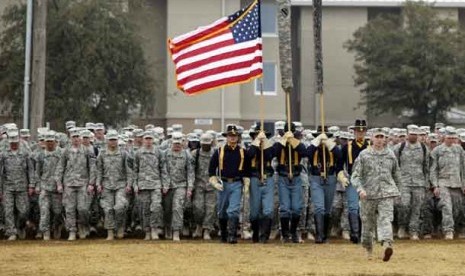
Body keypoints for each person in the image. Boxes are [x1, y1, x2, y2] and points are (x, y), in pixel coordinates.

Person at [351, 128, 400, 262]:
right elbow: (355, 176)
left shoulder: (390, 155)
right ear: (371, 138)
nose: (379, 139)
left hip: (386, 194)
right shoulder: (364, 155)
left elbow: (396, 173)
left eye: (382, 137)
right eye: (377, 137)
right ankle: (369, 249)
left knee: (386, 219)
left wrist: (398, 191)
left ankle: (386, 245)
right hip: (368, 195)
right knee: (368, 225)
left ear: (385, 139)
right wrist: (360, 189)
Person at [209, 124, 250, 244]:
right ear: (226, 137)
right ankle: (223, 234)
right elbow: (211, 170)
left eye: (234, 136)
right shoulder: (219, 151)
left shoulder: (243, 152)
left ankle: (232, 235)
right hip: (223, 184)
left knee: (234, 210)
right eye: (230, 136)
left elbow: (247, 170)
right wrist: (214, 182)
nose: (232, 138)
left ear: (238, 137)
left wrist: (246, 183)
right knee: (222, 211)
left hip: (237, 183)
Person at [56, 128, 96, 241]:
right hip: (69, 184)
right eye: (74, 137)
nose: (76, 139)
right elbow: (60, 168)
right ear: (70, 138)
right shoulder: (66, 151)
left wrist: (91, 183)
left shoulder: (88, 151)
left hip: (83, 184)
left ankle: (83, 225)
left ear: (81, 138)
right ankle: (72, 231)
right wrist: (59, 183)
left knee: (83, 209)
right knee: (70, 209)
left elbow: (93, 168)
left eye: (78, 137)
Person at [393, 125, 429, 240]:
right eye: (411, 134)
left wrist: (427, 182)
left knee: (417, 208)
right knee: (404, 205)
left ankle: (414, 231)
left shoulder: (424, 148)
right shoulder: (399, 147)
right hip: (403, 182)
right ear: (407, 134)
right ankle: (402, 227)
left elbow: (427, 167)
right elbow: (394, 167)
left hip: (419, 183)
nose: (413, 136)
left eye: (415, 134)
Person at [307, 126, 343, 243]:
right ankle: (319, 235)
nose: (323, 139)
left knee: (327, 209)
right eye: (320, 136)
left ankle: (325, 235)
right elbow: (307, 153)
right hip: (316, 178)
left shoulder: (333, 147)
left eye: (325, 136)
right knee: (319, 207)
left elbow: (339, 156)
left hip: (330, 178)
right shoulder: (313, 147)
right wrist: (317, 141)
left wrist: (328, 143)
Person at [96, 129, 133, 240]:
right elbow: (99, 170)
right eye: (111, 140)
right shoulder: (102, 153)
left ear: (117, 140)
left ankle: (120, 227)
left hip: (120, 185)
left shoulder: (124, 153)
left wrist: (129, 184)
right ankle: (110, 231)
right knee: (108, 209)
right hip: (106, 185)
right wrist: (98, 183)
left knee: (120, 207)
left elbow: (129, 171)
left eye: (114, 140)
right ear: (107, 140)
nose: (113, 142)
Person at [273, 122, 307, 243]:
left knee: (297, 208)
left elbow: (304, 152)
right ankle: (285, 234)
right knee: (285, 207)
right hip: (283, 177)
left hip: (296, 177)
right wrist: (284, 140)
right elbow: (274, 152)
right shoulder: (279, 144)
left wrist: (292, 140)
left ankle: (293, 232)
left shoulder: (298, 143)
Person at [430, 127, 465, 240]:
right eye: (449, 138)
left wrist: (464, 184)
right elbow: (433, 169)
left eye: (453, 138)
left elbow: (463, 169)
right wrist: (435, 185)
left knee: (457, 209)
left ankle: (446, 227)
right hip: (443, 183)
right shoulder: (437, 151)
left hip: (457, 183)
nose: (451, 140)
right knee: (447, 207)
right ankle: (448, 231)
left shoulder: (459, 150)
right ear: (444, 137)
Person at [0, 129, 35, 240]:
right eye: (12, 143)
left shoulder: (25, 154)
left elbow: (30, 170)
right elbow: (1, 173)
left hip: (22, 187)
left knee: (23, 211)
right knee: (8, 210)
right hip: (8, 187)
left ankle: (20, 227)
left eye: (16, 143)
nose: (14, 145)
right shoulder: (3, 155)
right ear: (9, 142)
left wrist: (31, 185)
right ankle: (11, 232)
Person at [340, 119, 370, 244]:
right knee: (353, 207)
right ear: (354, 132)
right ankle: (355, 233)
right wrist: (342, 176)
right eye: (358, 131)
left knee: (365, 207)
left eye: (362, 131)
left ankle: (365, 233)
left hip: (367, 180)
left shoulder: (370, 146)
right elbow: (339, 165)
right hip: (352, 179)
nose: (360, 133)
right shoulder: (347, 147)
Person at [161, 132, 194, 242]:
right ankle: (167, 228)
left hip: (181, 185)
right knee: (167, 209)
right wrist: (165, 184)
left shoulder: (187, 155)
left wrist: (189, 188)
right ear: (171, 142)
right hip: (168, 186)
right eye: (175, 143)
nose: (177, 145)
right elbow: (163, 170)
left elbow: (190, 172)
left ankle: (176, 231)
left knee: (177, 208)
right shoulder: (165, 154)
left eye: (179, 144)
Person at [247, 125, 275, 243]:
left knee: (267, 210)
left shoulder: (269, 148)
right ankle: (256, 234)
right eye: (256, 136)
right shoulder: (250, 148)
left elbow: (269, 155)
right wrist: (257, 142)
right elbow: (249, 156)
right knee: (254, 211)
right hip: (254, 179)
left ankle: (264, 236)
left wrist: (264, 143)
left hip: (267, 178)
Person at [133, 130, 163, 240]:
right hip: (143, 185)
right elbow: (135, 170)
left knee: (156, 207)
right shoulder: (138, 153)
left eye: (150, 139)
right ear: (143, 140)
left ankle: (154, 228)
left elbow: (162, 169)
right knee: (144, 210)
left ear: (153, 140)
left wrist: (164, 184)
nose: (148, 141)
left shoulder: (158, 152)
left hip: (155, 184)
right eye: (146, 139)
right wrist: (135, 185)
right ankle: (147, 231)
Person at [35, 131, 63, 240]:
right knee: (44, 211)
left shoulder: (61, 154)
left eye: (52, 141)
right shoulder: (41, 155)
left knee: (57, 212)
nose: (50, 144)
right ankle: (45, 232)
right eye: (48, 142)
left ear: (55, 142)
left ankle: (56, 227)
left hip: (57, 188)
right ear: (45, 143)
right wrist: (37, 185)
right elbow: (37, 172)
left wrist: (61, 184)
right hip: (45, 187)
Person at [191, 133, 216, 240]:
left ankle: (207, 230)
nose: (206, 146)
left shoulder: (216, 153)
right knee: (198, 208)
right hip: (199, 185)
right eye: (204, 144)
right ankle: (199, 226)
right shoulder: (194, 154)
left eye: (208, 144)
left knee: (210, 209)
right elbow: (190, 171)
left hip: (212, 186)